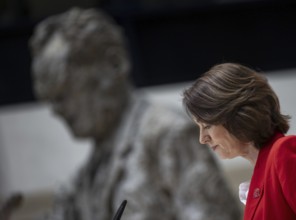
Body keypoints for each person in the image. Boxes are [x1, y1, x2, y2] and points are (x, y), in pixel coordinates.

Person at [29, 8, 242, 220]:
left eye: (64, 90)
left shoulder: (166, 134)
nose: (56, 109)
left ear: (113, 64)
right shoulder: (85, 177)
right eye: (51, 98)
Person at [182, 62, 296, 220]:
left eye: (208, 125)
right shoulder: (263, 173)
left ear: (237, 115)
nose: (202, 139)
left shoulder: (285, 151)